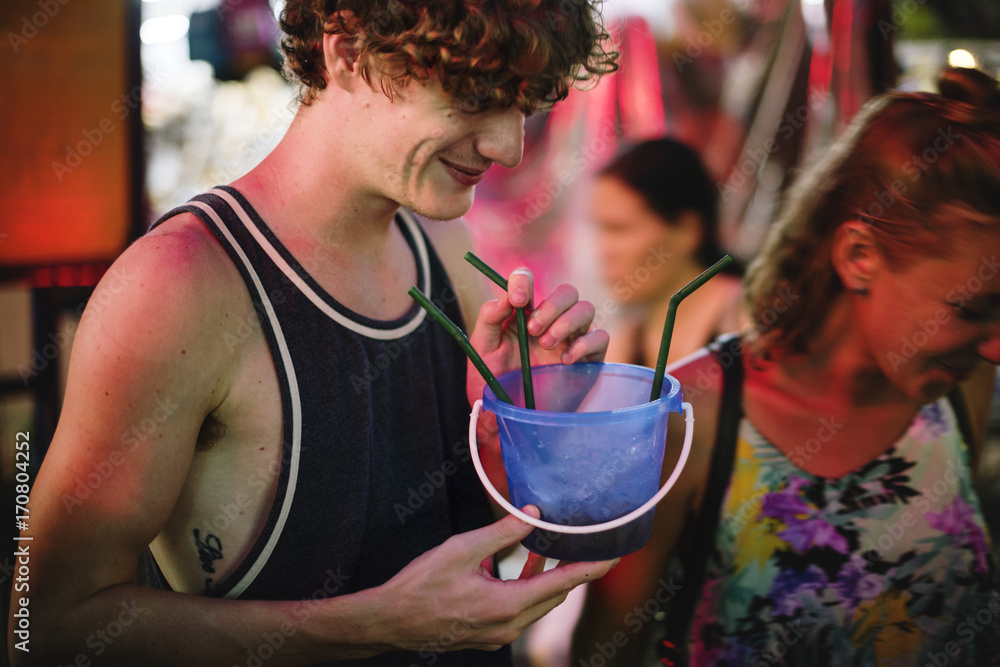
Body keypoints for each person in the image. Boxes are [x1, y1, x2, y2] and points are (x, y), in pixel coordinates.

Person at [9, 2, 621, 666]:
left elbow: (474, 554)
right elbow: (45, 627)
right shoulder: (179, 287)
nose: (509, 146)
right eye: (476, 97)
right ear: (348, 51)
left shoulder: (444, 248)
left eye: (524, 104)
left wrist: (512, 429)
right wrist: (374, 624)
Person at [572, 67, 1000, 665]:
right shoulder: (688, 421)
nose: (996, 345)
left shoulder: (959, 389)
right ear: (859, 257)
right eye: (973, 307)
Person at [589, 137, 744, 367]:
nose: (603, 251)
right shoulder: (624, 347)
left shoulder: (750, 323)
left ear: (686, 230)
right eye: (600, 229)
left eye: (620, 229)